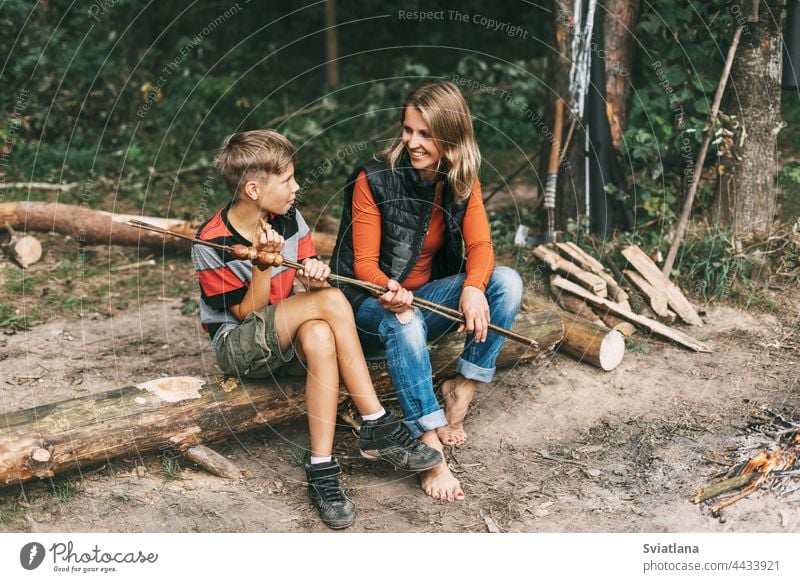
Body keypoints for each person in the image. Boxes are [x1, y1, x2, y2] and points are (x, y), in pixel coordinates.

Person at [191, 129, 441, 529]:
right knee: (327, 306)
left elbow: (316, 302)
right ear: (253, 189)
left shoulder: (289, 220)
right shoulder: (211, 241)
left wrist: (316, 278)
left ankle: (321, 468)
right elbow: (244, 315)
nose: (296, 186)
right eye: (287, 179)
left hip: (289, 337)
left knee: (321, 333)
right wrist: (262, 267)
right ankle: (375, 420)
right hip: (239, 346)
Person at [331, 82, 524, 502]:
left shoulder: (461, 179)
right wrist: (390, 290)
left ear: (451, 137)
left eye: (425, 134)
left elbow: (481, 248)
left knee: (505, 282)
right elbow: (362, 265)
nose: (412, 142)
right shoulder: (373, 178)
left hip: (426, 301)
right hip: (367, 305)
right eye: (408, 130)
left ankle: (462, 390)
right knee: (403, 319)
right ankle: (430, 449)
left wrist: (473, 288)